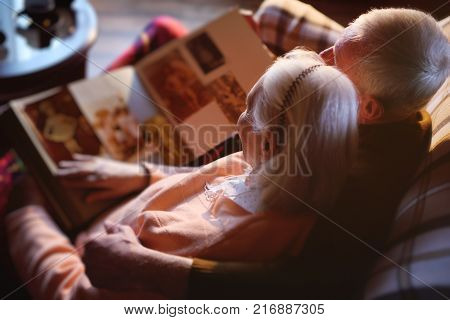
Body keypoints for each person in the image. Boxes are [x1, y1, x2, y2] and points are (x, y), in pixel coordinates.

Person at [81, 8, 449, 299]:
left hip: (240, 149)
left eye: (334, 61)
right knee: (167, 33)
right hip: (250, 142)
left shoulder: (357, 189)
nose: (321, 58)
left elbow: (301, 287)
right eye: (334, 44)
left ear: (366, 110)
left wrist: (138, 263)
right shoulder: (393, 102)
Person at [3, 49, 359, 299]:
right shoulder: (274, 171)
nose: (239, 123)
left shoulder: (199, 242)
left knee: (17, 174)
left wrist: (27, 216)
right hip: (105, 213)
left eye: (248, 113)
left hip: (63, 259)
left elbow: (78, 297)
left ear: (271, 144)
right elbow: (195, 185)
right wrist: (143, 177)